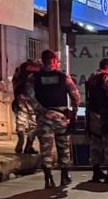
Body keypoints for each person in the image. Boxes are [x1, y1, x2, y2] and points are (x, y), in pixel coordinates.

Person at [22, 49, 79, 188]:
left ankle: (48, 179)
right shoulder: (63, 77)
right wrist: (74, 112)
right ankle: (65, 176)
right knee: (64, 147)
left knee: (46, 148)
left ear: (42, 61)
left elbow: (29, 97)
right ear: (54, 61)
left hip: (44, 118)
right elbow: (75, 95)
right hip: (61, 117)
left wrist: (41, 110)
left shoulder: (33, 78)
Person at [11, 60, 40, 155]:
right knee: (34, 122)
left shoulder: (22, 66)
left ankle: (21, 136)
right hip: (34, 98)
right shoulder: (40, 68)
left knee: (21, 118)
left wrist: (17, 94)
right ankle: (29, 145)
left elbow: (15, 80)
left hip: (20, 96)